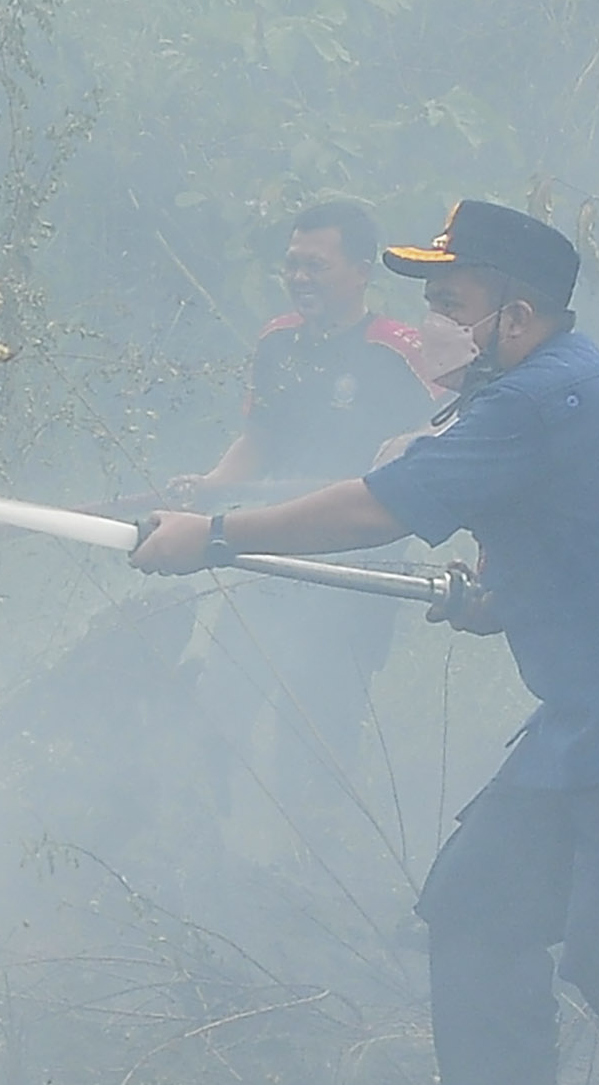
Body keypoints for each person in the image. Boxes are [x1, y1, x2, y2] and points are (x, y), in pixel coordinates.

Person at [134, 199, 599, 1085]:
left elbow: (378, 506)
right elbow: (582, 531)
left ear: (518, 312)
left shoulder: (545, 398)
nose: (432, 320)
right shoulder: (528, 396)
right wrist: (510, 595)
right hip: (596, 718)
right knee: (473, 912)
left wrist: (220, 535)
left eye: (449, 300)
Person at [178, 199, 467, 806]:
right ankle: (201, 845)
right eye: (293, 264)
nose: (301, 279)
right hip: (271, 547)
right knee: (223, 696)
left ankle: (313, 858)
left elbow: (452, 432)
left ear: (361, 271)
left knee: (319, 716)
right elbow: (258, 438)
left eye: (317, 265)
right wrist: (213, 485)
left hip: (361, 560)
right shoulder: (277, 341)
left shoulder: (402, 349)